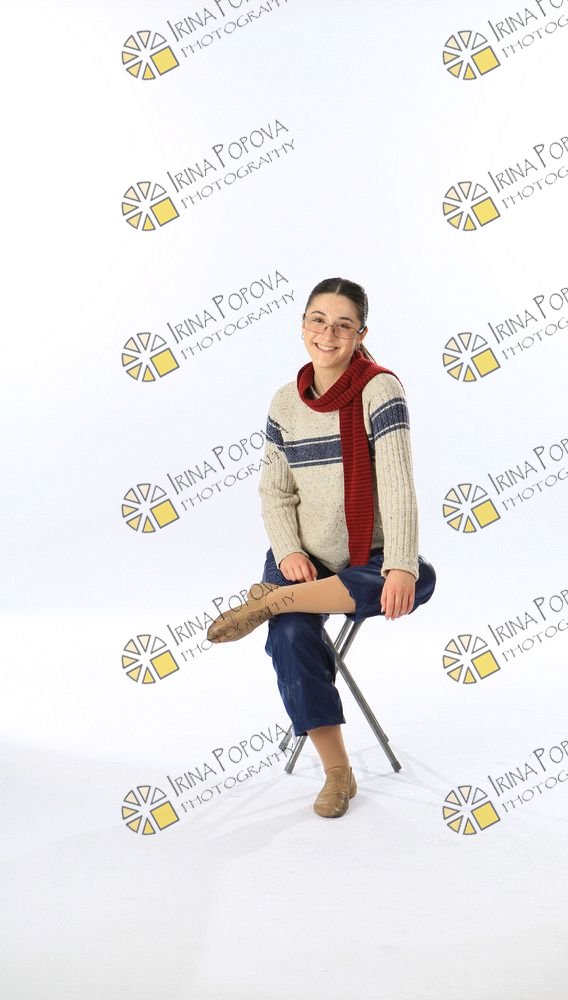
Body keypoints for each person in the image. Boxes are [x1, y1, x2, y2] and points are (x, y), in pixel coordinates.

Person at [207, 277, 436, 818]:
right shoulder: (285, 402)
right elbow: (275, 490)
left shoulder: (381, 390)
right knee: (291, 637)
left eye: (342, 325)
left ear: (360, 334)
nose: (327, 335)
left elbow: (397, 483)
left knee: (421, 577)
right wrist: (288, 551)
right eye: (318, 320)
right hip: (303, 558)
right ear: (302, 325)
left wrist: (400, 565)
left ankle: (269, 602)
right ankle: (338, 773)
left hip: (368, 558)